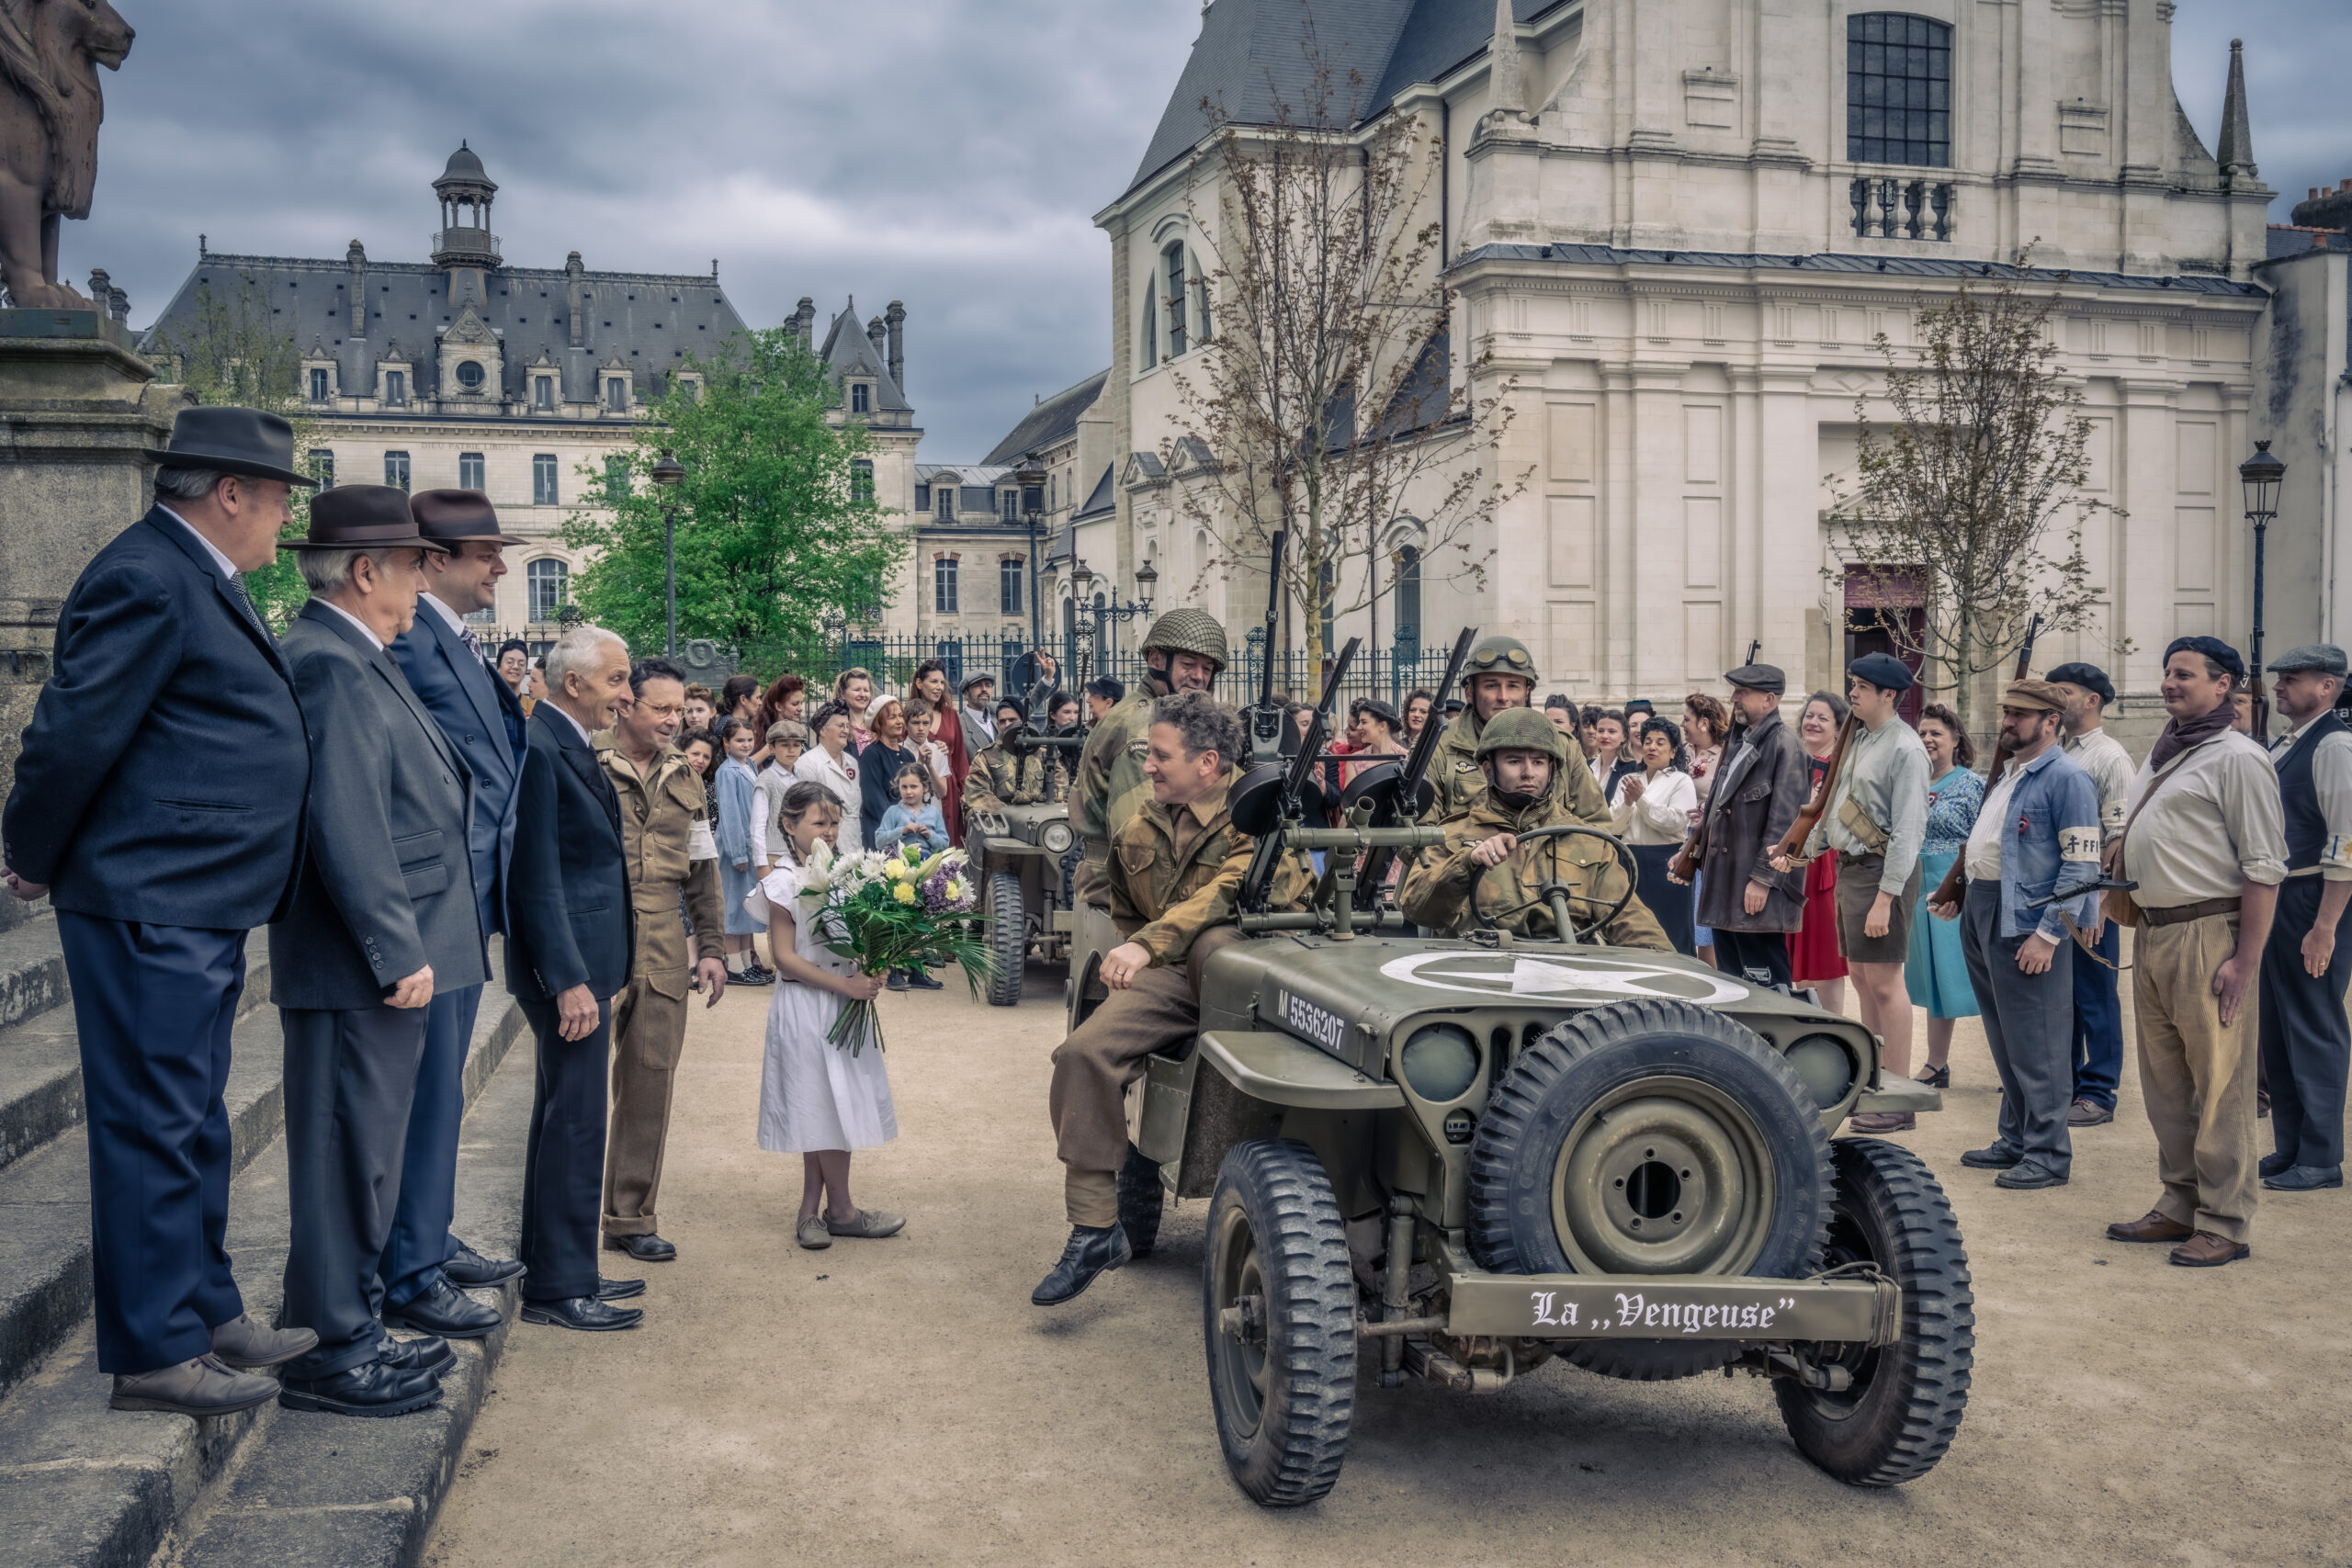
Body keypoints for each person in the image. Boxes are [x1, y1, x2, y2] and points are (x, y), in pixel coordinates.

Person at [2, 407, 319, 1417]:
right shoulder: (146, 574)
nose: (281, 526)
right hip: (149, 896)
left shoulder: (192, 575)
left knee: (191, 1118)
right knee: (151, 1121)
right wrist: (29, 853)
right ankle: (151, 1352)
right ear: (230, 495)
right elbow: (72, 732)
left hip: (193, 896)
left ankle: (205, 1307)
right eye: (277, 502)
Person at [269, 487, 483, 1416]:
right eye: (409, 567)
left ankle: (349, 1329)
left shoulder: (357, 652)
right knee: (344, 1158)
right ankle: (328, 1350)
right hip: (361, 958)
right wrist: (396, 949)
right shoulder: (330, 660)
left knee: (365, 1157)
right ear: (365, 573)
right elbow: (348, 818)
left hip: (382, 949)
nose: (416, 584)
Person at [1036, 694, 1307, 1306]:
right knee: (1082, 1054)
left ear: (1207, 762)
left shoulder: (1265, 817)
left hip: (1268, 976)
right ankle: (1094, 1229)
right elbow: (1131, 912)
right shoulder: (1142, 824)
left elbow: (1226, 892)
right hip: (1179, 977)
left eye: (1159, 756)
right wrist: (1140, 949)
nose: (1149, 767)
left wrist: (1146, 944)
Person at [382, 488, 533, 1343]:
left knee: (442, 1085)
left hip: (470, 893)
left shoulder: (455, 642)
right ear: (433, 560)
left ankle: (425, 1237)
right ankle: (409, 1263)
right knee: (429, 1086)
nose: (501, 567)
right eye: (485, 554)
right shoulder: (410, 639)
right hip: (436, 895)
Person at [2106, 637, 2286, 1269]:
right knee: (2166, 1086)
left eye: (2184, 674)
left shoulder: (2238, 757)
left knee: (2221, 1086)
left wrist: (2246, 960)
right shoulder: (2167, 752)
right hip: (2154, 930)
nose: (2168, 682)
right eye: (2166, 672)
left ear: (2224, 684)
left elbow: (2265, 867)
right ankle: (2180, 1203)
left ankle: (2226, 1219)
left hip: (2210, 934)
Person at [506, 624, 644, 1331]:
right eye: (617, 679)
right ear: (574, 682)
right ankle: (560, 1287)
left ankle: (563, 1265)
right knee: (577, 1123)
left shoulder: (567, 741)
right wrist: (567, 978)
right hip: (569, 972)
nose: (627, 692)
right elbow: (536, 876)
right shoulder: (541, 746)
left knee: (566, 1115)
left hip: (588, 964)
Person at [1926, 682, 2103, 1184]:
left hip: (2028, 914)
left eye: (2020, 714)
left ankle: (2047, 1154)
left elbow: (2082, 865)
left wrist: (2049, 934)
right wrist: (1958, 892)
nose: (2008, 721)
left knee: (2039, 1040)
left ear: (2051, 721)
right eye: (2007, 711)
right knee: (2005, 1036)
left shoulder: (2068, 778)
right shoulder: (2009, 773)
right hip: (1986, 906)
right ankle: (2017, 1136)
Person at [596, 659, 730, 1265]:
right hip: (593, 930)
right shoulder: (586, 760)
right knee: (573, 1090)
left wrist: (711, 946)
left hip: (659, 936)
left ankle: (630, 1216)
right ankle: (566, 1219)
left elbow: (702, 869)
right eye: (662, 708)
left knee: (651, 1082)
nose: (675, 720)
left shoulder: (687, 777)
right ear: (626, 704)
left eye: (680, 709)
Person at [755, 783, 901, 1251]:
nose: (830, 831)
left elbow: (853, 939)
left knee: (834, 1105)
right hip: (807, 1003)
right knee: (819, 1105)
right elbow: (784, 957)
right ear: (789, 825)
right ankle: (835, 1211)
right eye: (819, 822)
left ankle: (818, 1212)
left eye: (835, 822)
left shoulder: (844, 872)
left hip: (843, 1001)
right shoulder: (782, 881)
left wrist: (875, 963)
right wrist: (846, 985)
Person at [1780, 656, 1928, 1101]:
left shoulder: (1905, 748)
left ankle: (1896, 1091)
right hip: (1852, 867)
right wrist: (1797, 851)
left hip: (1882, 871)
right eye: (1854, 684)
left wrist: (1887, 897)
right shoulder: (1861, 738)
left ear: (1889, 695)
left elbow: (1908, 830)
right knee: (1862, 980)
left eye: (1863, 686)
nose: (1854, 693)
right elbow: (1836, 812)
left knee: (1885, 983)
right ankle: (1874, 1078)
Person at [1403, 708, 1673, 949]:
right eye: (1513, 761)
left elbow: (1632, 922)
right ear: (1488, 769)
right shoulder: (1453, 836)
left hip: (1571, 976)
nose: (1528, 772)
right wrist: (1467, 863)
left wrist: (1670, 973)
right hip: (1481, 976)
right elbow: (1418, 908)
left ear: (1552, 769)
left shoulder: (1587, 840)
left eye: (1539, 762)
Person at [2257, 644, 2352, 1192]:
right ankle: (2291, 1145)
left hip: (2312, 895)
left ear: (2327, 686)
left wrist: (2325, 926)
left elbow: (2345, 840)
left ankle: (2321, 1155)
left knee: (2314, 1025)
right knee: (2279, 1028)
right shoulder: (2288, 742)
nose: (2279, 686)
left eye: (2293, 679)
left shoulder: (2334, 743)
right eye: (2281, 678)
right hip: (2281, 894)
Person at [1071, 608, 1227, 908]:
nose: (1199, 677)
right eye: (1188, 664)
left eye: (1207, 668)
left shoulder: (1163, 719)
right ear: (1156, 661)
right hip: (1124, 893)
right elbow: (1139, 846)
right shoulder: (1143, 727)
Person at [1680, 663, 1808, 992]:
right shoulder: (1740, 742)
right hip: (1726, 887)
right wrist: (1689, 852)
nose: (1734, 698)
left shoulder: (1785, 745)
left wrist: (1763, 879)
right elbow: (1715, 810)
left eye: (1742, 692)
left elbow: (1786, 822)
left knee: (1768, 991)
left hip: (1754, 892)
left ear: (1769, 700)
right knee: (1735, 988)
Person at [2048, 660, 2135, 1128]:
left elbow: (2118, 838)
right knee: (2061, 995)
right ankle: (2065, 1082)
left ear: (2092, 700)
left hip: (2089, 899)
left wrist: (2100, 902)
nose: (2057, 700)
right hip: (2059, 895)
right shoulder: (2058, 750)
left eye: (2064, 691)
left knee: (2096, 996)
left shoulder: (2110, 758)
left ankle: (2098, 1091)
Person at [1426, 637, 1610, 825]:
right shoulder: (1439, 745)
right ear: (1470, 693)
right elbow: (1418, 836)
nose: (1503, 697)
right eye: (1491, 686)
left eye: (1513, 686)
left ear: (1527, 691)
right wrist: (1470, 852)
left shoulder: (1561, 743)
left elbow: (1597, 824)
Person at [1905, 702, 1983, 1089]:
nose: (1927, 739)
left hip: (1957, 885)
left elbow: (1984, 841)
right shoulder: (1910, 781)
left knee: (1972, 974)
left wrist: (1965, 886)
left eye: (1936, 732)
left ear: (1955, 739)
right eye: (1921, 733)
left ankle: (2012, 1064)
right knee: (1935, 977)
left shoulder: (1972, 784)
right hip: (1916, 884)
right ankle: (1937, 1064)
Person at [1611, 716, 1701, 953]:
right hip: (1630, 861)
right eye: (1648, 741)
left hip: (1667, 861)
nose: (1652, 747)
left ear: (1673, 751)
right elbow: (1613, 826)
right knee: (1633, 930)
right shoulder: (1629, 780)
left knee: (1671, 929)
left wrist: (1642, 800)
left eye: (1660, 743)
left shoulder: (1681, 781)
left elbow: (1675, 822)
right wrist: (1627, 804)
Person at [1786, 690, 1850, 1012]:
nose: (1812, 722)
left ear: (1838, 728)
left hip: (1821, 865)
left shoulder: (1839, 768)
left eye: (1822, 718)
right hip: (1788, 863)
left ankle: (1833, 1026)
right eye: (1809, 716)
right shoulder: (1793, 762)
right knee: (1796, 956)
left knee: (1823, 955)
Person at [714, 717, 770, 985]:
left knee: (747, 906)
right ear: (726, 743)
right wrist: (738, 854)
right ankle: (735, 966)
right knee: (734, 907)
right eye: (739, 740)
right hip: (734, 849)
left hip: (749, 846)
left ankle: (748, 962)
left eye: (749, 740)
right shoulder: (727, 772)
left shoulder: (748, 765)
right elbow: (730, 815)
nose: (746, 745)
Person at [1683, 692, 1731, 970]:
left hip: (1707, 843)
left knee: (1705, 926)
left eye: (1687, 719)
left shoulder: (1725, 754)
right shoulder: (1682, 752)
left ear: (1704, 722)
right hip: (1683, 841)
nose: (1683, 724)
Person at [910, 660, 969, 841]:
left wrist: (965, 790)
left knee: (948, 842)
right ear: (920, 683)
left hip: (947, 788)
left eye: (942, 682)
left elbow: (959, 757)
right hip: (918, 786)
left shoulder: (951, 714)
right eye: (934, 681)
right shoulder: (909, 714)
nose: (939, 687)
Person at [967, 707, 1068, 814]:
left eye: (1012, 720)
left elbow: (1063, 790)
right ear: (997, 725)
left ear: (1024, 724)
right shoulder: (986, 757)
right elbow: (977, 794)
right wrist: (1009, 813)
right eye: (1002, 721)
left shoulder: (1044, 754)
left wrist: (1034, 797)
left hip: (1043, 816)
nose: (1007, 725)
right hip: (1006, 820)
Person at [795, 702, 865, 853]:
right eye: (840, 726)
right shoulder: (808, 763)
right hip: (824, 848)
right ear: (823, 731)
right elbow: (805, 812)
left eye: (847, 726)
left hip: (854, 846)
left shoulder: (852, 762)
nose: (846, 731)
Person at [858, 694, 922, 852]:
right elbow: (873, 799)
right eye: (892, 717)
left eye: (900, 716)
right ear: (879, 723)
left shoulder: (908, 755)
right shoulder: (871, 754)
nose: (900, 721)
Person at [752, 719, 810, 873]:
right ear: (771, 748)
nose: (791, 750)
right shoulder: (766, 779)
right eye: (784, 745)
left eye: (796, 745)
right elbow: (757, 825)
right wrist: (761, 865)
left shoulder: (804, 778)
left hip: (801, 856)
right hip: (774, 856)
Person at [877, 765, 951, 855]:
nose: (908, 792)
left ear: (925, 787)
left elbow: (945, 845)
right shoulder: (892, 812)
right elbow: (879, 842)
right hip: (899, 866)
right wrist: (902, 831)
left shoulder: (934, 813)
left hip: (927, 865)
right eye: (904, 787)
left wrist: (930, 835)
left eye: (913, 787)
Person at [958, 672, 999, 760]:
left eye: (988, 685)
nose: (984, 689)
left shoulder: (999, 716)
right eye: (977, 686)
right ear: (966, 694)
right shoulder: (958, 725)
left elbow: (1024, 708)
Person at [834, 668, 876, 749]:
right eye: (857, 690)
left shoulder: (878, 725)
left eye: (866, 690)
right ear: (842, 693)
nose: (862, 694)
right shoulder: (836, 728)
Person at [497, 638, 533, 710]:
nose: (516, 666)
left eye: (521, 664)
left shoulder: (533, 709)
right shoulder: (488, 703)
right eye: (510, 662)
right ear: (499, 667)